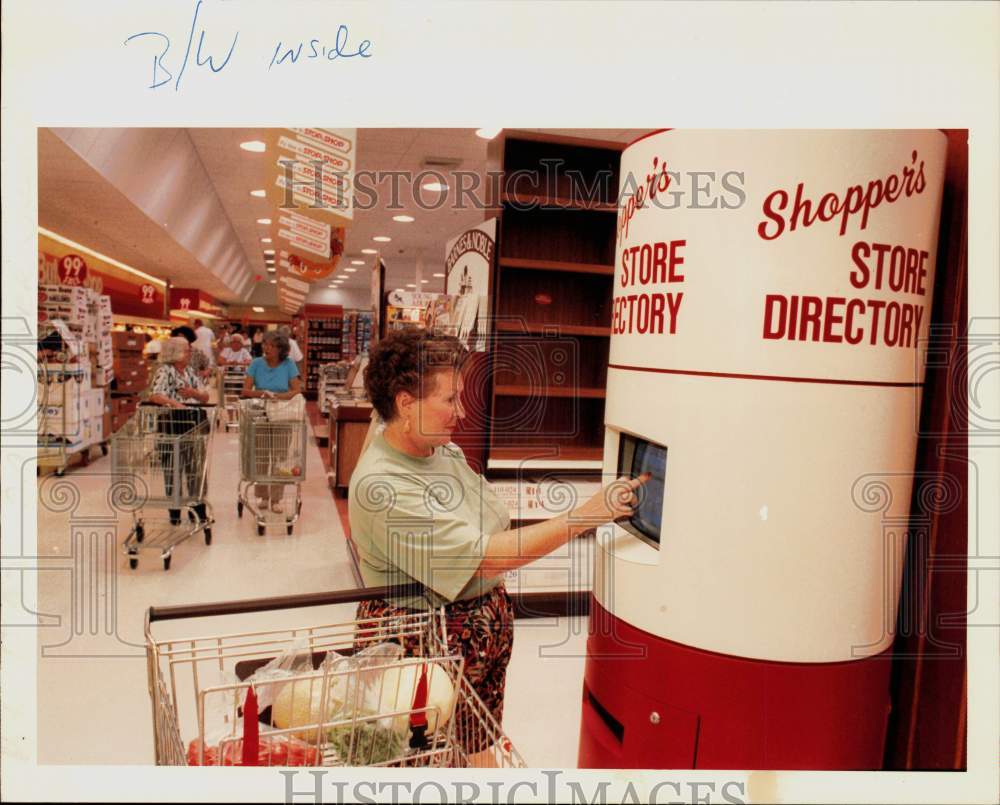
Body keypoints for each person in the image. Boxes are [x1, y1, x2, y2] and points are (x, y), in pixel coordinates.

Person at [348, 330, 647, 766]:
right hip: (422, 644)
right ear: (406, 403)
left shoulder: (439, 451)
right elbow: (491, 553)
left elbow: (494, 524)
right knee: (423, 762)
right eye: (450, 399)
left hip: (480, 627)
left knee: (479, 738)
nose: (462, 412)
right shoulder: (383, 485)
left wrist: (486, 550)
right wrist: (587, 514)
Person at [147, 337, 211, 526]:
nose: (190, 353)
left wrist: (194, 394)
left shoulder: (190, 372)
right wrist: (176, 404)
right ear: (175, 353)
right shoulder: (165, 371)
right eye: (186, 350)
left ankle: (197, 508)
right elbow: (155, 394)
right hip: (171, 424)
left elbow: (205, 395)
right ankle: (174, 510)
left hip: (193, 423)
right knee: (173, 469)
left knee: (195, 469)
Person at [241, 330, 303, 513]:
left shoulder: (289, 364)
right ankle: (263, 496)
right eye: (265, 344)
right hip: (259, 412)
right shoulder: (256, 364)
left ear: (281, 349)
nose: (266, 348)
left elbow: (296, 390)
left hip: (283, 413)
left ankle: (276, 498)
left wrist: (279, 396)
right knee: (260, 456)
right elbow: (245, 390)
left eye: (271, 345)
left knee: (280, 457)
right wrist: (263, 394)